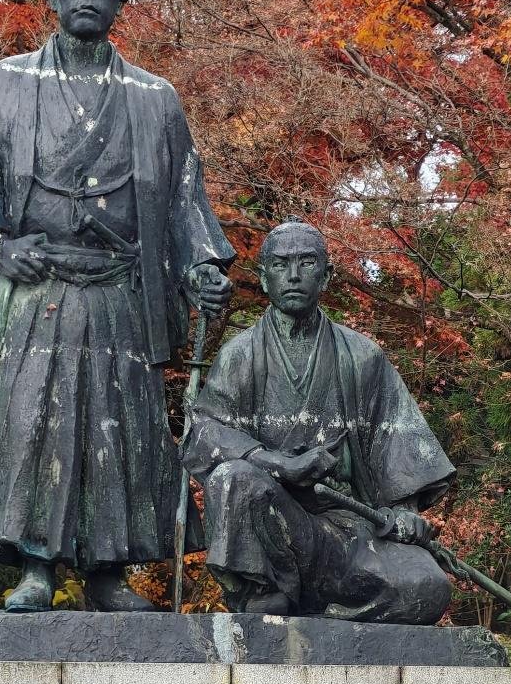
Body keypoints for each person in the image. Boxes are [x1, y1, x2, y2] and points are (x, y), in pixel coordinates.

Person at [0, 0, 233, 612]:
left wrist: (203, 270)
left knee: (121, 424)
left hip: (121, 288)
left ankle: (110, 573)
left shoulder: (154, 100)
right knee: (31, 418)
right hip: (37, 284)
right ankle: (36, 568)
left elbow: (186, 200)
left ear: (122, 0)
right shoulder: (9, 82)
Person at [183, 221, 455, 620]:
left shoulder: (362, 356)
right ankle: (267, 591)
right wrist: (279, 463)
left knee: (428, 589)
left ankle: (327, 614)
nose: (293, 276)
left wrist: (405, 511)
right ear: (263, 277)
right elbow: (204, 433)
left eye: (307, 263)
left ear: (326, 275)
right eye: (279, 265)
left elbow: (397, 440)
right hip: (274, 523)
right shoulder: (239, 355)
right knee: (232, 478)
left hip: (346, 527)